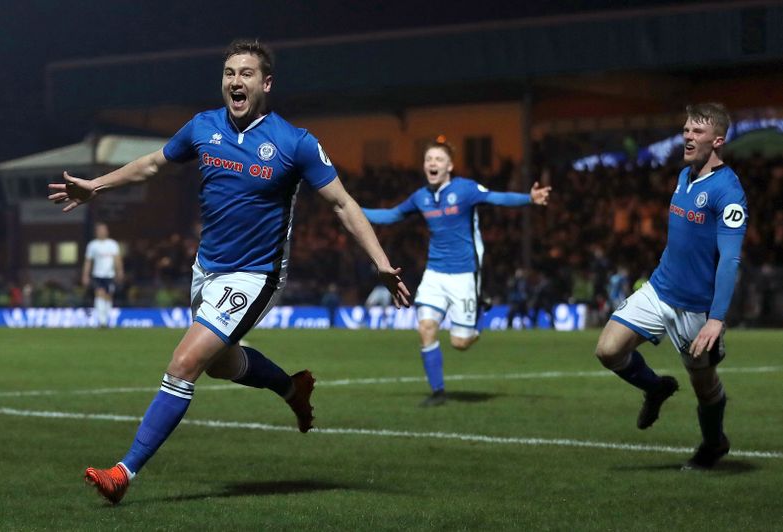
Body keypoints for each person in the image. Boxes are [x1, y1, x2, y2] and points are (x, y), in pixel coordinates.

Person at [48, 38, 410, 504]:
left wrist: (380, 262)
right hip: (206, 270)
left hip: (255, 275)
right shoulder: (203, 127)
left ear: (266, 83)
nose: (235, 81)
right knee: (220, 364)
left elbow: (342, 203)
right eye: (229, 73)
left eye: (246, 73)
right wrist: (95, 186)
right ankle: (291, 387)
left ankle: (123, 473)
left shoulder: (295, 142)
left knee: (185, 363)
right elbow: (153, 164)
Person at [594, 103, 747, 470]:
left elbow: (730, 259)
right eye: (686, 129)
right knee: (608, 351)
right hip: (660, 288)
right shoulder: (683, 176)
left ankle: (714, 443)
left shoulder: (728, 192)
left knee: (704, 385)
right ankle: (656, 387)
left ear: (718, 141)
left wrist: (716, 319)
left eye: (697, 131)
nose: (688, 136)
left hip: (696, 308)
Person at [362, 140, 550, 406]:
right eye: (428, 159)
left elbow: (497, 197)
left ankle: (478, 313)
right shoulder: (421, 197)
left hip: (464, 273)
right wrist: (352, 210)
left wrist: (529, 198)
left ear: (449, 166)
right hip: (435, 273)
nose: (432, 163)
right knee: (426, 327)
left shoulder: (465, 189)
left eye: (438, 159)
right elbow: (392, 215)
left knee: (460, 343)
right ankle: (438, 393)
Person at [82, 222, 123, 327]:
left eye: (104, 230)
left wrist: (119, 271)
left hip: (110, 275)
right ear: (96, 232)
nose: (102, 232)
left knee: (108, 296)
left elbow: (117, 259)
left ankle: (106, 318)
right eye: (100, 230)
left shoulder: (112, 244)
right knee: (99, 294)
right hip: (97, 275)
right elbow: (88, 261)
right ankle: (102, 321)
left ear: (107, 231)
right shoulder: (92, 245)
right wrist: (85, 275)